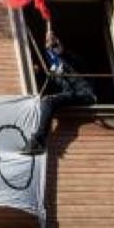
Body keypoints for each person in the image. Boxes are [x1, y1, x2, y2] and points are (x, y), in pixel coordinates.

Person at [27, 26, 97, 154]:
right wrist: (37, 72)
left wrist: (56, 44)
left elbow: (66, 55)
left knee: (48, 101)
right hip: (71, 95)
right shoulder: (52, 68)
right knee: (47, 101)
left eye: (51, 45)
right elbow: (49, 84)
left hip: (84, 94)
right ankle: (39, 141)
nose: (50, 48)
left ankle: (38, 141)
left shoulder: (69, 57)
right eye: (47, 47)